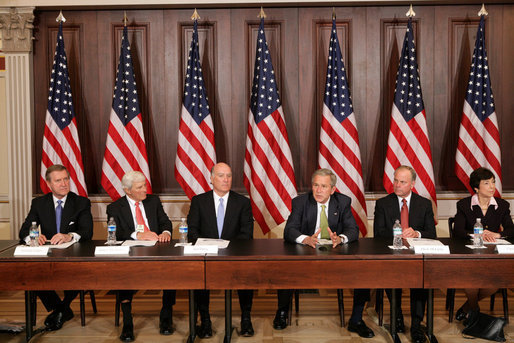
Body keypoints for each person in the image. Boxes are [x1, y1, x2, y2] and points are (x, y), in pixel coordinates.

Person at [273, 169, 374, 338]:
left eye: (324, 186)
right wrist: (305, 239)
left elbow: (353, 230)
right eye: (316, 185)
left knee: (362, 269)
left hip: (335, 255)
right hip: (305, 254)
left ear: (333, 190)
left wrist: (340, 239)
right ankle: (282, 312)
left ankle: (356, 320)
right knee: (285, 267)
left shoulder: (342, 202)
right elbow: (289, 231)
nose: (319, 190)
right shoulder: (301, 202)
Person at [19, 164, 93, 331]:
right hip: (48, 255)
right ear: (49, 184)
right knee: (30, 273)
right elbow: (24, 231)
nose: (64, 184)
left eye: (66, 179)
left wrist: (69, 236)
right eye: (58, 180)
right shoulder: (39, 203)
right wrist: (33, 237)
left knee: (77, 272)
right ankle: (62, 308)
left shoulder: (81, 202)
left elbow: (87, 232)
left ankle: (60, 310)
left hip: (75, 255)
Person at [106, 171, 175, 342]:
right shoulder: (114, 208)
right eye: (140, 187)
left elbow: (165, 222)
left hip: (157, 251)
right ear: (127, 190)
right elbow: (117, 232)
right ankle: (128, 323)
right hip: (131, 254)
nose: (145, 189)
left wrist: (165, 232)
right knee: (123, 274)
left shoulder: (153, 201)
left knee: (172, 269)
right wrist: (138, 235)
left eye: (145, 185)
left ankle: (166, 315)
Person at [187, 162, 255, 338]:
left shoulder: (243, 203)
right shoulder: (199, 201)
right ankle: (206, 320)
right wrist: (209, 247)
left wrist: (227, 248)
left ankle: (246, 319)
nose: (226, 179)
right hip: (206, 255)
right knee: (199, 275)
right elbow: (192, 232)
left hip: (234, 255)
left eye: (229, 176)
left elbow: (246, 234)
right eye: (221, 175)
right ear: (211, 178)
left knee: (247, 273)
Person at [374, 165, 436, 343]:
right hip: (392, 255)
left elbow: (431, 233)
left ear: (413, 184)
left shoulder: (424, 204)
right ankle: (397, 316)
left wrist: (417, 233)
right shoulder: (383, 203)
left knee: (421, 280)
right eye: (395, 180)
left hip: (417, 255)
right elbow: (378, 234)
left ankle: (417, 325)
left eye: (402, 182)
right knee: (392, 277)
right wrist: (396, 234)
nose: (397, 185)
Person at [453, 167, 514, 323]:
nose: (492, 186)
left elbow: (511, 229)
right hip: (469, 256)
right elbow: (458, 231)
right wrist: (477, 235)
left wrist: (497, 234)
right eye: (486, 183)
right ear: (476, 187)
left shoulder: (502, 205)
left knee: (494, 284)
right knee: (470, 282)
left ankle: (468, 309)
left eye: (493, 182)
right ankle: (474, 313)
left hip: (492, 256)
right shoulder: (464, 205)